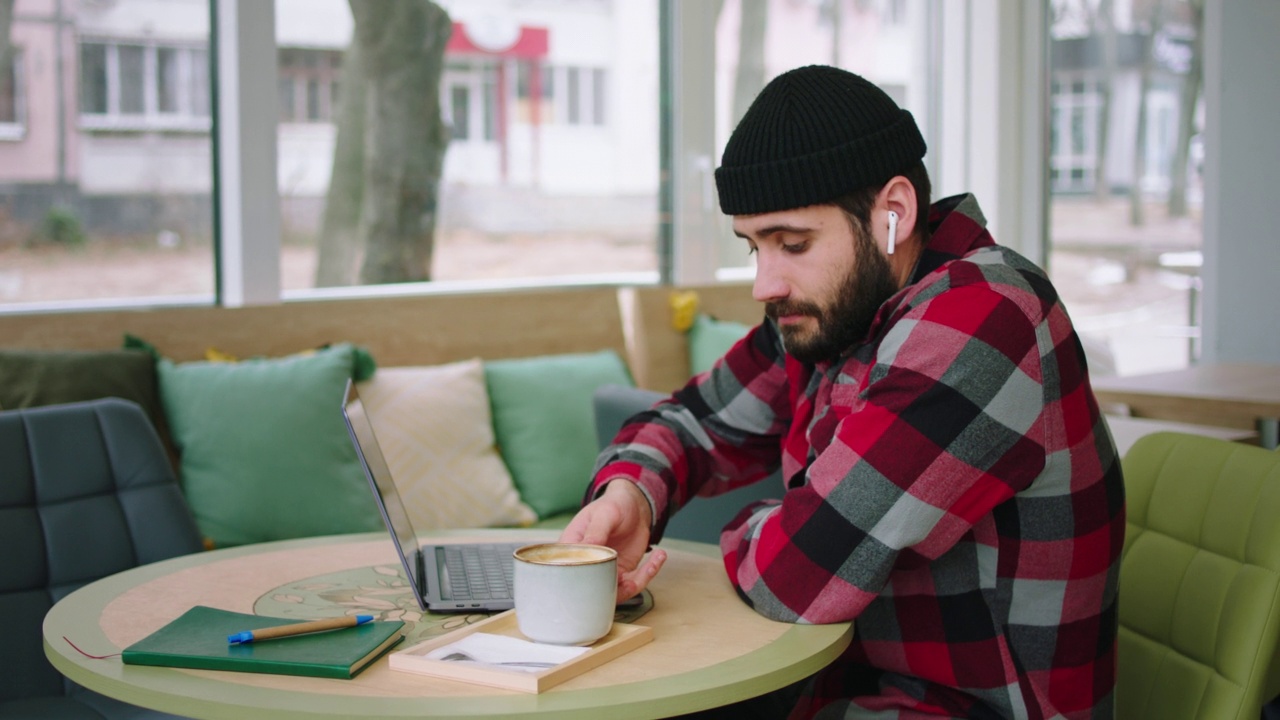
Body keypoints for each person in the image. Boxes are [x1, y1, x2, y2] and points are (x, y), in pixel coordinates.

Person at [560, 65, 1124, 719]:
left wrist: (767, 523)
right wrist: (632, 492)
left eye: (792, 243)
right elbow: (694, 420)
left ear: (893, 212)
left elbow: (798, 576)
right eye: (753, 248)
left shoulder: (984, 318)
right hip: (843, 687)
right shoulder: (839, 308)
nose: (764, 285)